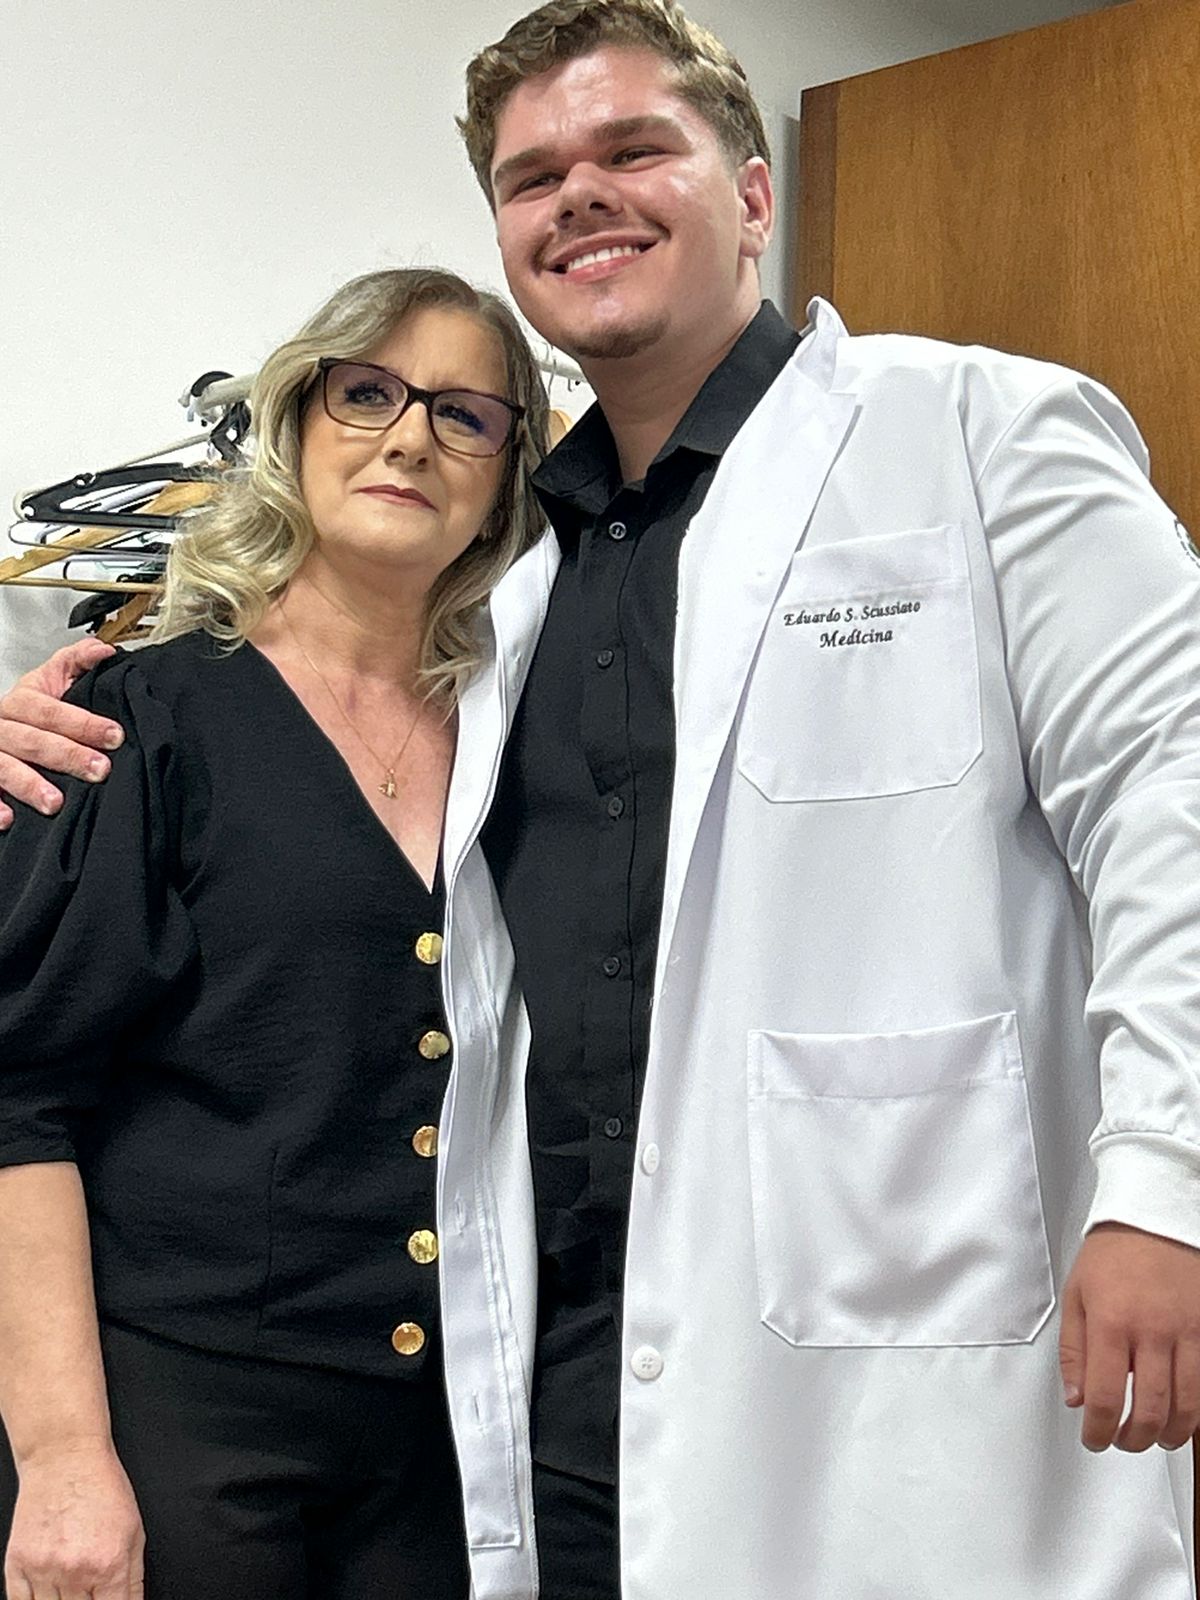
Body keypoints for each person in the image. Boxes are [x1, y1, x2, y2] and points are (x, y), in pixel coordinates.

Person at [3, 2, 1200, 1596]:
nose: (580, 193)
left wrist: (1166, 1184)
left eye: (636, 148)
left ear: (755, 195)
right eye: (532, 175)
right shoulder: (520, 592)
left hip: (918, 1340)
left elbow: (1169, 799)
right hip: (553, 1393)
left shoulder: (978, 432)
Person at [0, 264, 548, 1600]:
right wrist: (62, 1463)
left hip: (446, 1436)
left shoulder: (524, 741)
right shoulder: (139, 723)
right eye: (368, 394)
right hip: (186, 1427)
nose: (410, 438)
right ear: (297, 422)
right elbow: (18, 1103)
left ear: (505, 479)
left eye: (465, 414)